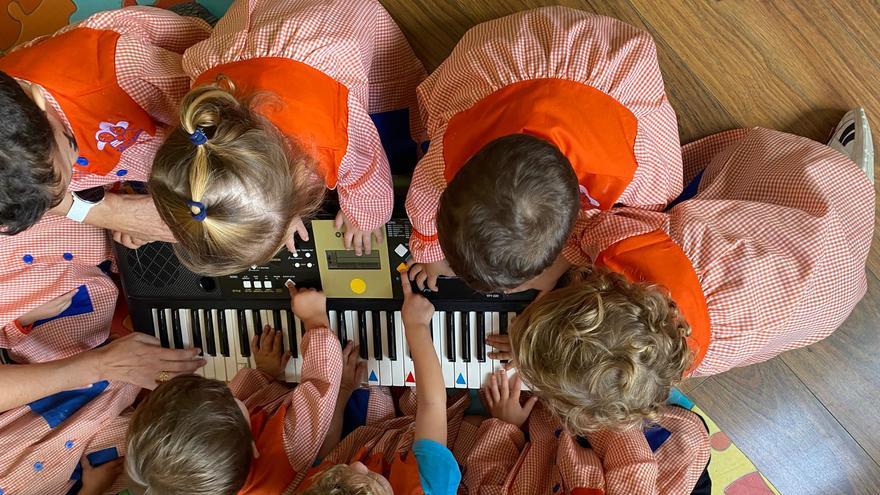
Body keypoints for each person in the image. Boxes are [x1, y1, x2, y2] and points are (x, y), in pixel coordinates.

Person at [489, 110, 875, 433]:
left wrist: (542, 344)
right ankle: (845, 177)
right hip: (808, 240)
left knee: (809, 221)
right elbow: (593, 225)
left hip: (824, 301)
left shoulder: (672, 360)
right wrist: (549, 273)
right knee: (794, 192)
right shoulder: (635, 253)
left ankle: (848, 178)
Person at [406, 6, 683, 294]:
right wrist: (429, 253)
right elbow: (424, 194)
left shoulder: (638, 168)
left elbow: (647, 211)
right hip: (510, 56)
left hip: (610, 73)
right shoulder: (450, 149)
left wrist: (558, 266)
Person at [149, 0, 426, 276]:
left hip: (336, 21)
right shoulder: (204, 113)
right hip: (259, 28)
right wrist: (278, 214)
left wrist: (366, 218)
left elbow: (368, 171)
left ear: (293, 178)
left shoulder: (334, 134)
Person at [0, 6, 211, 246]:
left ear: (40, 103)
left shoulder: (119, 74)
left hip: (186, 109)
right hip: (128, 157)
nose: (71, 179)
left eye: (70, 159)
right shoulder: (32, 161)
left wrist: (184, 193)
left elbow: (212, 125)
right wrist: (118, 214)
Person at [125, 282, 345, 494]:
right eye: (230, 399)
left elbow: (232, 400)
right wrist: (314, 320)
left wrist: (264, 373)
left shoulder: (218, 464)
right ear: (253, 447)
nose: (229, 392)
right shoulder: (288, 449)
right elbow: (320, 384)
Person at [298, 273, 463, 494]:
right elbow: (432, 403)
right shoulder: (429, 488)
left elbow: (325, 451)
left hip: (372, 438)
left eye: (343, 471)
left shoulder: (321, 487)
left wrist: (343, 390)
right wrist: (417, 325)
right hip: (412, 444)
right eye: (366, 477)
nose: (356, 464)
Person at [0, 331, 205, 494]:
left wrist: (101, 363)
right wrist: (92, 490)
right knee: (162, 444)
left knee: (126, 372)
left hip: (47, 418)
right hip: (83, 467)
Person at [462, 369, 711, 494]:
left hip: (554, 454)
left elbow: (488, 477)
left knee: (471, 427)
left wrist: (507, 423)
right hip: (650, 460)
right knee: (623, 386)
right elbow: (621, 441)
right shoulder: (632, 484)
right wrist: (578, 387)